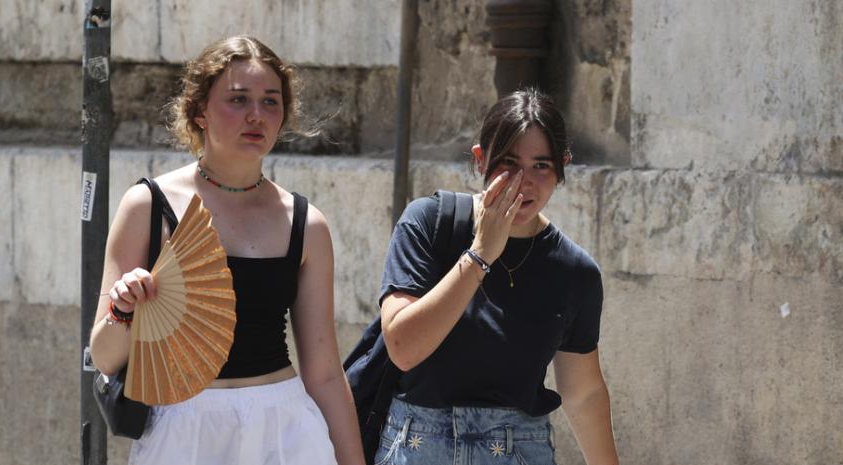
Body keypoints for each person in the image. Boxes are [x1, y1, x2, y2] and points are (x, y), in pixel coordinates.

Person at [89, 35, 364, 465]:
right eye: (238, 100)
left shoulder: (306, 223)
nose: (257, 115)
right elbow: (104, 356)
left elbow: (326, 372)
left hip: (285, 430)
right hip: (183, 428)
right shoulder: (147, 206)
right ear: (199, 111)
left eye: (271, 102)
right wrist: (124, 309)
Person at [375, 89, 619, 465]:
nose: (524, 182)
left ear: (562, 166)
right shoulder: (428, 223)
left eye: (541, 165)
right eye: (508, 163)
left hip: (517, 450)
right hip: (418, 447)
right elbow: (403, 348)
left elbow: (583, 393)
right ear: (479, 160)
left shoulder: (574, 272)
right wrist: (481, 254)